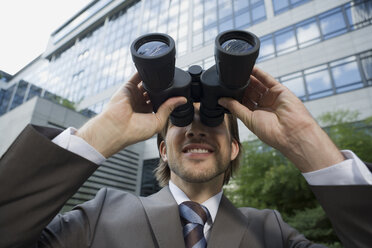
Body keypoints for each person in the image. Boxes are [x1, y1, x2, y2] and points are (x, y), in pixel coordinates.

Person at [0, 67, 371, 248]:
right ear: (162, 148)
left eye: (213, 121)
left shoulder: (271, 231)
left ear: (234, 147)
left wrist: (306, 140)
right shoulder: (98, 217)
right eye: (180, 121)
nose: (196, 129)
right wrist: (100, 133)